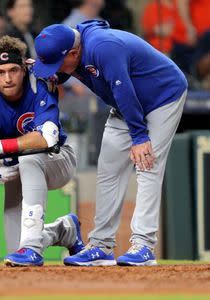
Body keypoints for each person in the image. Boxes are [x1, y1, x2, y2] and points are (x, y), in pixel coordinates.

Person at [33, 20, 187, 266]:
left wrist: (139, 137)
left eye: (57, 62)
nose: (56, 68)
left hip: (162, 96)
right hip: (126, 103)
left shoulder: (103, 47)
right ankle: (101, 245)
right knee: (108, 171)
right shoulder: (74, 45)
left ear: (74, 52)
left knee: (147, 165)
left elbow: (123, 90)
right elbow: (73, 71)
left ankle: (144, 246)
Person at [0, 35, 84, 267]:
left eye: (13, 70)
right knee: (14, 250)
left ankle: (32, 248)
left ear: (24, 68)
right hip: (15, 166)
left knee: (30, 156)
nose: (8, 78)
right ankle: (62, 231)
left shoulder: (39, 84)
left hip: (57, 159)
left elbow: (46, 138)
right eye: (0, 72)